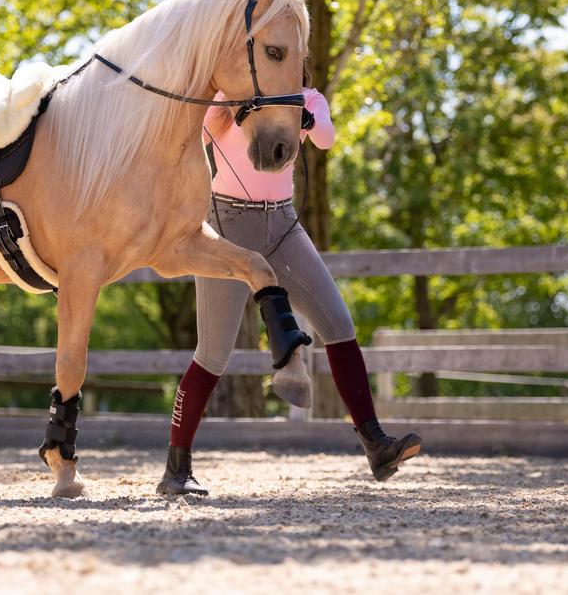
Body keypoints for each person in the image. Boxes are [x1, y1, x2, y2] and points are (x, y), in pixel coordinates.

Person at [156, 77, 422, 496]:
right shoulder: (228, 97)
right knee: (212, 356)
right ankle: (176, 469)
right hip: (227, 223)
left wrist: (308, 118)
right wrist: (233, 107)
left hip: (282, 223)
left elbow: (327, 139)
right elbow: (201, 131)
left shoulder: (308, 99)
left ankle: (375, 444)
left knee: (338, 324)